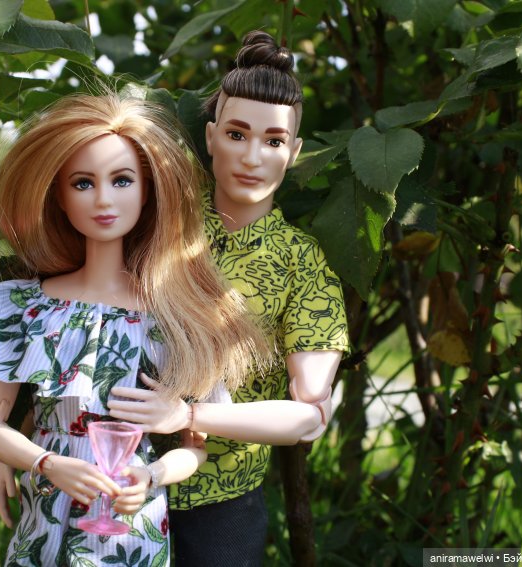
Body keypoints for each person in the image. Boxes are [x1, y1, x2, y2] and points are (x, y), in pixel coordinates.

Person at [0, 93, 269, 566]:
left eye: (122, 180)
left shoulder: (175, 317)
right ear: (58, 197)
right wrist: (45, 462)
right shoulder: (26, 306)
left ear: (147, 192)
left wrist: (153, 475)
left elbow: (195, 447)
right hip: (48, 508)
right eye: (83, 183)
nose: (103, 199)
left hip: (130, 519)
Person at [107, 31, 349, 566]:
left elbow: (309, 416)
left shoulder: (302, 264)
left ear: (294, 153)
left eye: (274, 141)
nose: (253, 156)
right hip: (110, 471)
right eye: (237, 134)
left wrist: (187, 414)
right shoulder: (155, 220)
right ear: (212, 137)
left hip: (223, 501)